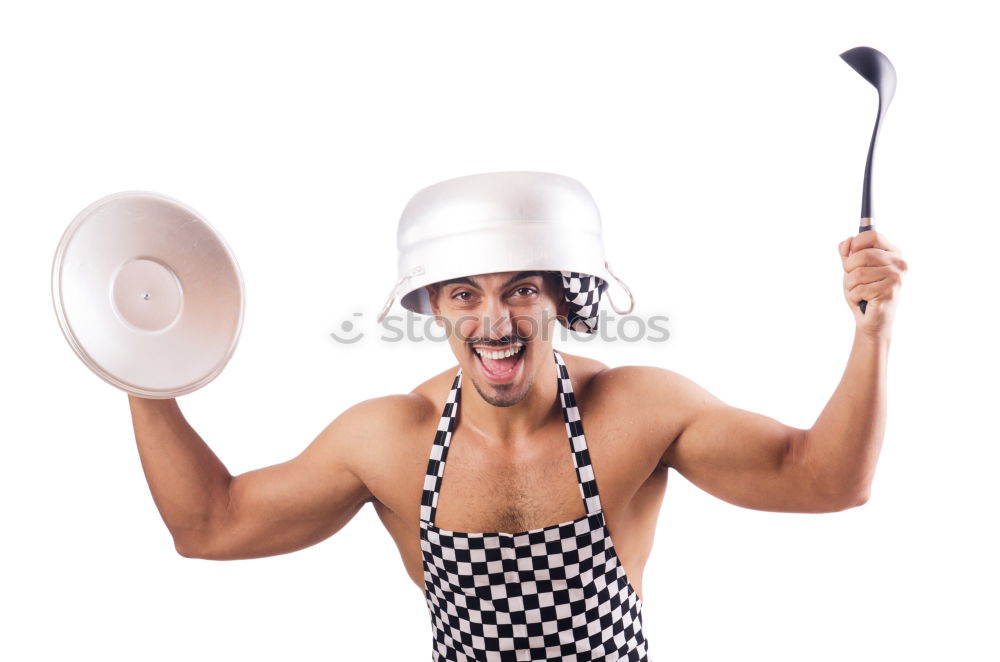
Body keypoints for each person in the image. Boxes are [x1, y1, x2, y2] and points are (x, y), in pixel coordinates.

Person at [127, 171, 907, 661]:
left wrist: (872, 329)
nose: (495, 321)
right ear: (432, 304)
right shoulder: (390, 440)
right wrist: (141, 368)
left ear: (561, 298)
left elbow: (826, 480)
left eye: (522, 289)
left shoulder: (637, 411)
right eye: (466, 292)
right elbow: (210, 525)